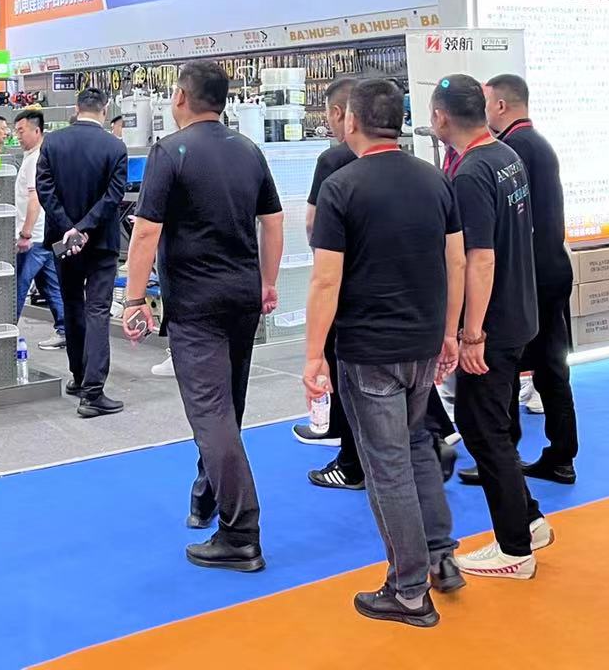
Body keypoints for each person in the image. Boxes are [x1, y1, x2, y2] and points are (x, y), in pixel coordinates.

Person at [305, 78, 465, 628]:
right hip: (423, 341)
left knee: (387, 465)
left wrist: (313, 356)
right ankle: (441, 555)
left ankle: (408, 589)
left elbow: (326, 280)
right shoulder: (434, 179)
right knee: (416, 445)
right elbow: (456, 260)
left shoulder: (341, 187)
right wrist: (450, 332)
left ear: (350, 120)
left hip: (369, 348)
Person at [123, 62, 283, 571]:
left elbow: (146, 232)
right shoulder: (248, 149)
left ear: (181, 97)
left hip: (197, 303)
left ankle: (241, 533)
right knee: (228, 406)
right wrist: (268, 281)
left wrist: (133, 300)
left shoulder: (170, 151)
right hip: (243, 297)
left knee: (211, 412)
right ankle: (206, 494)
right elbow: (273, 221)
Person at [432, 74, 553, 580]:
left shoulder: (472, 172)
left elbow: (478, 258)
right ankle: (529, 520)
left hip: (494, 323)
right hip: (517, 311)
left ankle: (514, 548)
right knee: (491, 423)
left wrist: (471, 333)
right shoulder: (505, 156)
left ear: (440, 117)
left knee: (484, 430)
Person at [464, 74, 576, 487]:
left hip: (528, 275)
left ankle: (504, 456)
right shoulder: (534, 145)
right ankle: (560, 454)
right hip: (550, 268)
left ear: (500, 106)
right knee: (550, 367)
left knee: (506, 365)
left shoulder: (510, 151)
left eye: (486, 102)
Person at [36, 87, 129, 416]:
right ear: (105, 110)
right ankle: (93, 393)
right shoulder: (115, 146)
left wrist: (69, 228)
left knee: (73, 306)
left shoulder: (53, 142)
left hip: (64, 242)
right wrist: (86, 227)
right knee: (98, 310)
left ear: (77, 108)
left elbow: (44, 189)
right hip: (101, 242)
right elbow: (114, 195)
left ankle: (77, 377)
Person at [296, 77, 363, 494]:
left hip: (343, 281)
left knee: (344, 367)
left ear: (340, 114)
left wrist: (311, 353)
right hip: (393, 290)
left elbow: (312, 221)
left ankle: (352, 463)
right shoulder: (408, 166)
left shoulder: (333, 160)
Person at [13, 107, 67, 350]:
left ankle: (5, 335)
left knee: (17, 288)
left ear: (37, 131)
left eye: (21, 131)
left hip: (34, 238)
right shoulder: (40, 156)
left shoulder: (35, 160)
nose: (17, 136)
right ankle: (66, 331)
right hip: (46, 235)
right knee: (51, 285)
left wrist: (25, 234)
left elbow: (35, 200)